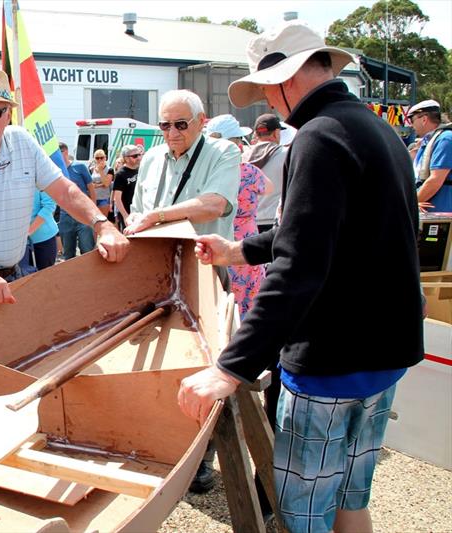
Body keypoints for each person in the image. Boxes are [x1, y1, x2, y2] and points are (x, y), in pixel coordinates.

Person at [178, 21, 423, 533]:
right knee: (350, 499)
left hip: (332, 359)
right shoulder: (378, 129)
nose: (268, 97)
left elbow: (299, 265)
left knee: (302, 515)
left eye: (267, 86)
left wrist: (232, 366)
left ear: (285, 80)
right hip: (385, 352)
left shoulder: (318, 136)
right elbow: (321, 232)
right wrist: (239, 249)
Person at [0, 68, 129, 304]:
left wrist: (103, 226)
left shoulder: (22, 141)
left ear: (7, 116)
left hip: (11, 276)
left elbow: (65, 191)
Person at [125, 89, 241, 241]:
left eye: (181, 125)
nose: (172, 133)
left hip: (201, 261)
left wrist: (155, 217)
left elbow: (214, 205)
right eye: (165, 125)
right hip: (154, 259)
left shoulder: (223, 152)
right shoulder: (150, 158)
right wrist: (134, 219)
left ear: (200, 121)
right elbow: (137, 210)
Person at [205, 114, 270, 319]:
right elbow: (269, 188)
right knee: (249, 299)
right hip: (245, 238)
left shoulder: (207, 173)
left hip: (216, 236)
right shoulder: (249, 172)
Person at [408, 99, 452, 213]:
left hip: (442, 212)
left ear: (424, 119)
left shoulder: (445, 139)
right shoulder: (427, 143)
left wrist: (411, 204)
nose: (412, 126)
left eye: (412, 120)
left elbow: (435, 179)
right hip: (429, 212)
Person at [248, 113, 287, 232]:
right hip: (275, 221)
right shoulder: (286, 154)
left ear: (256, 133)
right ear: (276, 132)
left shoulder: (242, 156)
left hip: (248, 223)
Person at [57, 141, 97, 259]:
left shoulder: (79, 167)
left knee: (87, 250)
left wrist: (93, 211)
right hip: (66, 217)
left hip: (83, 215)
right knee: (68, 253)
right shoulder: (56, 171)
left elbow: (91, 189)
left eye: (60, 152)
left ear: (66, 152)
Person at [20, 190, 58, 271]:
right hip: (15, 244)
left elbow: (49, 205)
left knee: (44, 279)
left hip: (43, 240)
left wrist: (28, 232)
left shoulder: (38, 178)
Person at [112, 144, 143, 231]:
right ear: (126, 158)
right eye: (135, 156)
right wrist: (125, 216)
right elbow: (117, 198)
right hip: (128, 213)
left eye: (139, 154)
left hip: (140, 212)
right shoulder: (120, 174)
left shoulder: (140, 169)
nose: (138, 158)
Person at [89, 149, 114, 217]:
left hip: (104, 198)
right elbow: (89, 183)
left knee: (103, 219)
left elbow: (106, 184)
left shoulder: (109, 169)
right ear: (94, 159)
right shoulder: (91, 169)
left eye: (101, 157)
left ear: (105, 158)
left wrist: (100, 170)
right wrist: (101, 184)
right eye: (97, 158)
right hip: (93, 198)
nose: (99, 160)